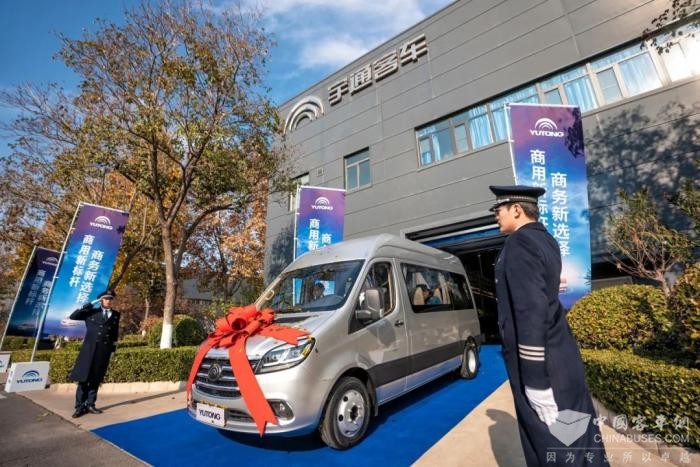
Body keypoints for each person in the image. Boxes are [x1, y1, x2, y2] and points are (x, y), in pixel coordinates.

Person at [490, 185, 607, 466]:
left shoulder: (519, 243)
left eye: (498, 209)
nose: (495, 215)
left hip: (545, 368)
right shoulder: (546, 240)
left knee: (556, 448)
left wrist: (536, 381)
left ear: (516, 210)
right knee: (580, 443)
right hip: (560, 357)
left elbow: (530, 311)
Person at [68, 289, 120, 418]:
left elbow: (114, 334)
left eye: (110, 299)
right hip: (88, 350)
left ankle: (90, 404)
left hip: (103, 351)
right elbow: (73, 316)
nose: (108, 301)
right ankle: (79, 407)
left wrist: (112, 351)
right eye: (106, 299)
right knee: (83, 379)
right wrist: (91, 304)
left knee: (96, 379)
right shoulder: (91, 312)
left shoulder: (116, 314)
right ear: (101, 300)